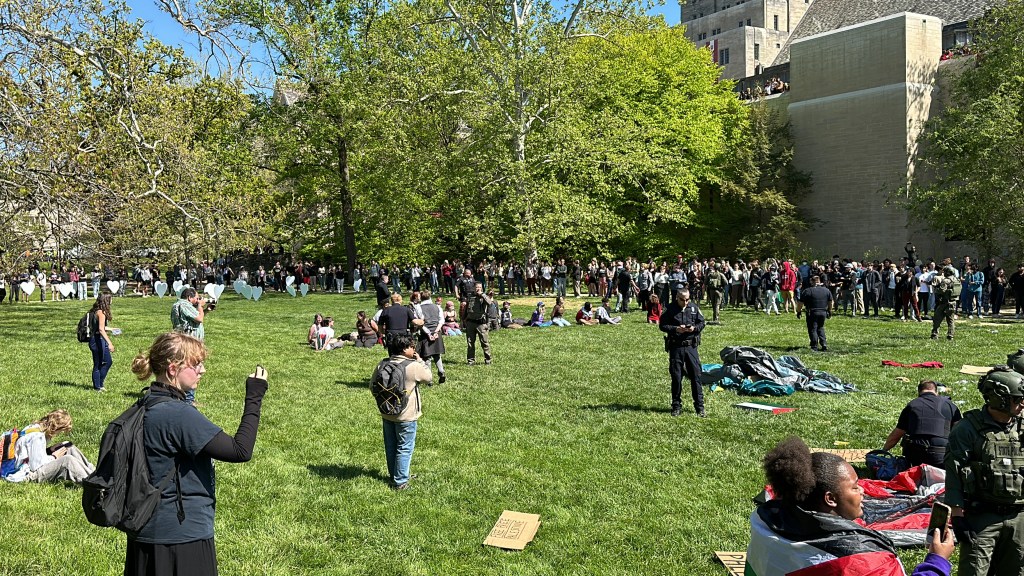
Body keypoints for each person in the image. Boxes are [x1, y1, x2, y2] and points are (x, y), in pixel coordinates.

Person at [125, 332, 268, 576]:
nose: (202, 370)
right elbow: (240, 450)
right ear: (173, 369)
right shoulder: (178, 414)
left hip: (143, 532)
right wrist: (254, 396)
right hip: (181, 538)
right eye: (196, 364)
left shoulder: (144, 405)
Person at [746, 436, 953, 576]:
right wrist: (937, 561)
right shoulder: (866, 562)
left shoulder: (764, 520)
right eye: (854, 487)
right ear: (830, 499)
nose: (863, 491)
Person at [945, 366, 1024, 576]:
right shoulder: (967, 429)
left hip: (1019, 516)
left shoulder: (1022, 426)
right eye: (1017, 399)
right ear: (999, 398)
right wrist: (957, 515)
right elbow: (954, 472)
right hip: (982, 516)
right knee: (974, 571)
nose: (1022, 404)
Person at [371, 333, 432, 490]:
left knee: (391, 446)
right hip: (406, 415)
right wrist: (420, 360)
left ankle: (395, 475)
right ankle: (400, 482)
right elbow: (428, 377)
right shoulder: (413, 366)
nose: (414, 349)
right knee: (405, 447)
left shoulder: (382, 364)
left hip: (386, 412)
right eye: (412, 347)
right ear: (405, 349)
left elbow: (372, 386)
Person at [882, 380, 962, 467]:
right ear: (936, 392)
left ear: (919, 392)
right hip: (941, 456)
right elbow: (960, 432)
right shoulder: (950, 405)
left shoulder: (912, 405)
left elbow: (897, 434)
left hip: (916, 456)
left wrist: (883, 451)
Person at [1, 409, 94, 483]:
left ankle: (94, 473)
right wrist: (54, 457)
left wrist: (50, 450)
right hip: (24, 474)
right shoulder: (37, 436)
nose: (59, 434)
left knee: (67, 447)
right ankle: (93, 483)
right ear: (56, 428)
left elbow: (31, 454)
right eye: (61, 431)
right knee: (67, 460)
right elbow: (36, 466)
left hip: (27, 464)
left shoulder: (35, 427)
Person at [659, 289, 706, 417]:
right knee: (676, 377)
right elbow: (662, 325)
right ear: (677, 298)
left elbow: (702, 322)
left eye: (687, 300)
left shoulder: (693, 308)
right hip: (676, 346)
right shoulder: (670, 309)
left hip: (691, 347)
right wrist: (676, 329)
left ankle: (699, 407)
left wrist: (694, 328)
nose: (685, 302)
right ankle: (676, 406)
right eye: (682, 300)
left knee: (696, 376)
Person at [88, 293, 117, 392]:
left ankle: (100, 384)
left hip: (98, 338)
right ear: (106, 300)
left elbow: (100, 327)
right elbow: (101, 329)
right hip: (97, 340)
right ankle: (97, 387)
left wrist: (111, 329)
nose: (112, 300)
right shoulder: (101, 313)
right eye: (111, 298)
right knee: (99, 363)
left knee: (106, 362)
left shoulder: (97, 310)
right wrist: (110, 343)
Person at [796, 275, 834, 352]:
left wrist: (798, 311)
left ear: (812, 282)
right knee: (820, 327)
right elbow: (831, 302)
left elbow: (800, 303)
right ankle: (824, 343)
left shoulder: (807, 291)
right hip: (823, 311)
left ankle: (814, 346)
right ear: (819, 281)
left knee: (813, 328)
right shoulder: (826, 290)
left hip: (812, 312)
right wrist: (829, 310)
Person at [416, 290, 446, 384]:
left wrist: (429, 333)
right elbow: (441, 321)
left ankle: (429, 379)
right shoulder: (437, 307)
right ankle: (441, 371)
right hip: (436, 332)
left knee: (427, 357)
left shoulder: (419, 308)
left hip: (425, 334)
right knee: (437, 354)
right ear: (430, 297)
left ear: (421, 297)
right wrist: (436, 331)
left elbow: (420, 323)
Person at [463, 282, 492, 365]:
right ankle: (471, 361)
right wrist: (463, 320)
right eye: (476, 287)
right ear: (473, 288)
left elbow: (490, 303)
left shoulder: (484, 297)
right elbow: (466, 309)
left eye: (480, 287)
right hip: (470, 322)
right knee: (470, 343)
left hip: (481, 323)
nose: (478, 289)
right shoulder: (470, 297)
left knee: (484, 342)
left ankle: (488, 360)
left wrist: (482, 295)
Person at [930, 266, 959, 340]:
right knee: (951, 320)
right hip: (953, 302)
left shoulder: (946, 281)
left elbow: (942, 290)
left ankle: (934, 334)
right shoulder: (957, 280)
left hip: (944, 302)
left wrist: (936, 288)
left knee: (937, 318)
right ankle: (950, 335)